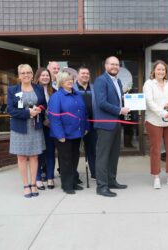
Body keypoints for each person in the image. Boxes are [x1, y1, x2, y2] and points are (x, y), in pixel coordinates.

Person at [93, 56, 130, 197]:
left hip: (116, 123)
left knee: (114, 155)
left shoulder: (118, 81)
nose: (115, 66)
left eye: (117, 64)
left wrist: (128, 103)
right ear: (106, 65)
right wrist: (119, 110)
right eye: (112, 64)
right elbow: (101, 102)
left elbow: (118, 100)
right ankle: (101, 187)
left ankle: (111, 180)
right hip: (105, 124)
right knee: (103, 156)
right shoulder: (101, 81)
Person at [143, 60, 168, 189]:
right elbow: (149, 102)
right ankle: (156, 177)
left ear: (166, 72)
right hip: (154, 121)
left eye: (163, 70)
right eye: (158, 69)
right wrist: (162, 112)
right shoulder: (148, 84)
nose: (161, 71)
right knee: (156, 150)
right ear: (154, 71)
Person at [8, 64, 46, 198]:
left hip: (35, 127)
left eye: (29, 72)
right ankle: (26, 185)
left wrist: (39, 109)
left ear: (32, 74)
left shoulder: (38, 88)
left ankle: (34, 183)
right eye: (23, 73)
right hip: (20, 128)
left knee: (35, 156)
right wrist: (28, 113)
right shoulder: (13, 90)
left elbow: (44, 104)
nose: (26, 75)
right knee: (22, 157)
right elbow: (11, 110)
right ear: (19, 75)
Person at [48, 70, 89, 194]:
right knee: (66, 160)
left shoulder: (77, 94)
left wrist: (86, 127)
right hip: (63, 135)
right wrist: (60, 135)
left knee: (74, 158)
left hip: (77, 133)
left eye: (71, 79)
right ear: (61, 82)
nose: (70, 81)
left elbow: (84, 113)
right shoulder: (56, 97)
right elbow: (54, 117)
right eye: (67, 80)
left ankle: (73, 182)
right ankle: (67, 185)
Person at [34, 67, 56, 190]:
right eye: (42, 75)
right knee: (39, 153)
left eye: (47, 75)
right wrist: (43, 121)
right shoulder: (33, 90)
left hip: (51, 126)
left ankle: (50, 178)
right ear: (38, 77)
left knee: (50, 152)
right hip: (38, 126)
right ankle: (37, 179)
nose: (45, 77)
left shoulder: (54, 90)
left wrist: (51, 121)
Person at [73, 66, 97, 179]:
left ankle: (94, 172)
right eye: (83, 73)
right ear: (77, 75)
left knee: (92, 149)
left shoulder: (94, 87)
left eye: (87, 73)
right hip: (76, 124)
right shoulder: (72, 87)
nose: (85, 75)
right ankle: (73, 174)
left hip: (92, 123)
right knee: (74, 150)